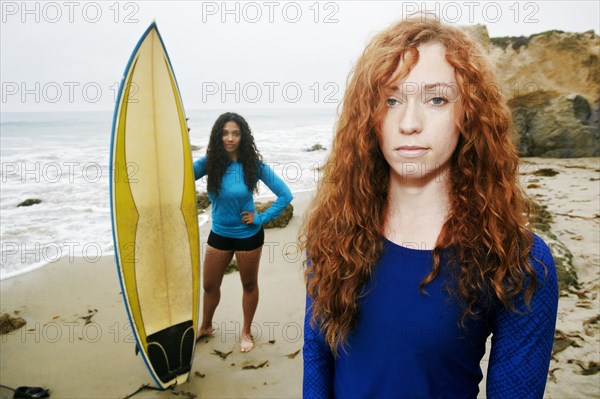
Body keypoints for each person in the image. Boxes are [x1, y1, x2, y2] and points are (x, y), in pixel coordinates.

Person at [300, 17, 558, 398]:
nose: (408, 122)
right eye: (390, 99)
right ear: (368, 117)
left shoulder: (519, 260)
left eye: (436, 99)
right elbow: (318, 355)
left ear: (468, 114)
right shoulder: (334, 232)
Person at [194, 112, 293, 353]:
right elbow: (180, 176)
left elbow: (285, 195)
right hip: (219, 233)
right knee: (209, 285)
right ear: (218, 136)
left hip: (248, 235)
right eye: (225, 133)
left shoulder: (253, 166)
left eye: (235, 133)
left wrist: (260, 217)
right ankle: (206, 326)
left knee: (248, 284)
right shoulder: (209, 163)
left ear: (243, 136)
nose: (230, 138)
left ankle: (246, 331)